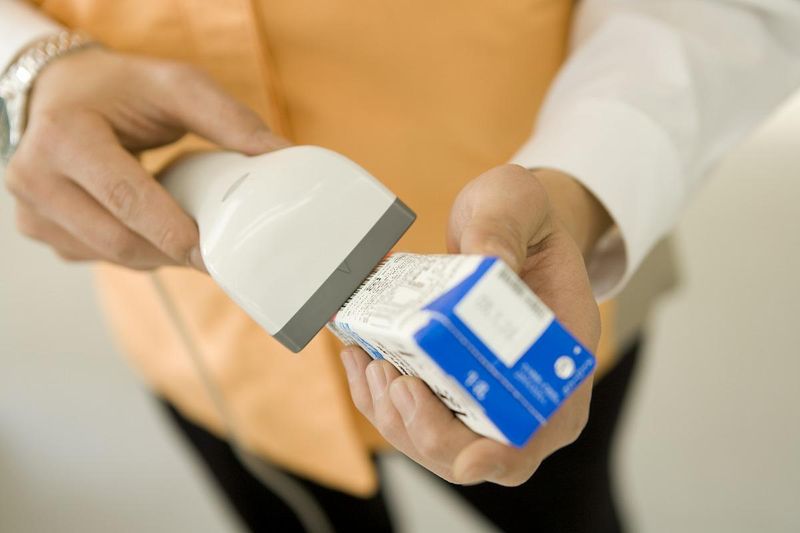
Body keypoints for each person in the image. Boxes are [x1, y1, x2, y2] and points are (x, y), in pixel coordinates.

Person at [1, 0, 799, 531]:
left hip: (544, 260)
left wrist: (584, 184)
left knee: (566, 504)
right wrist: (26, 67)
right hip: (210, 337)